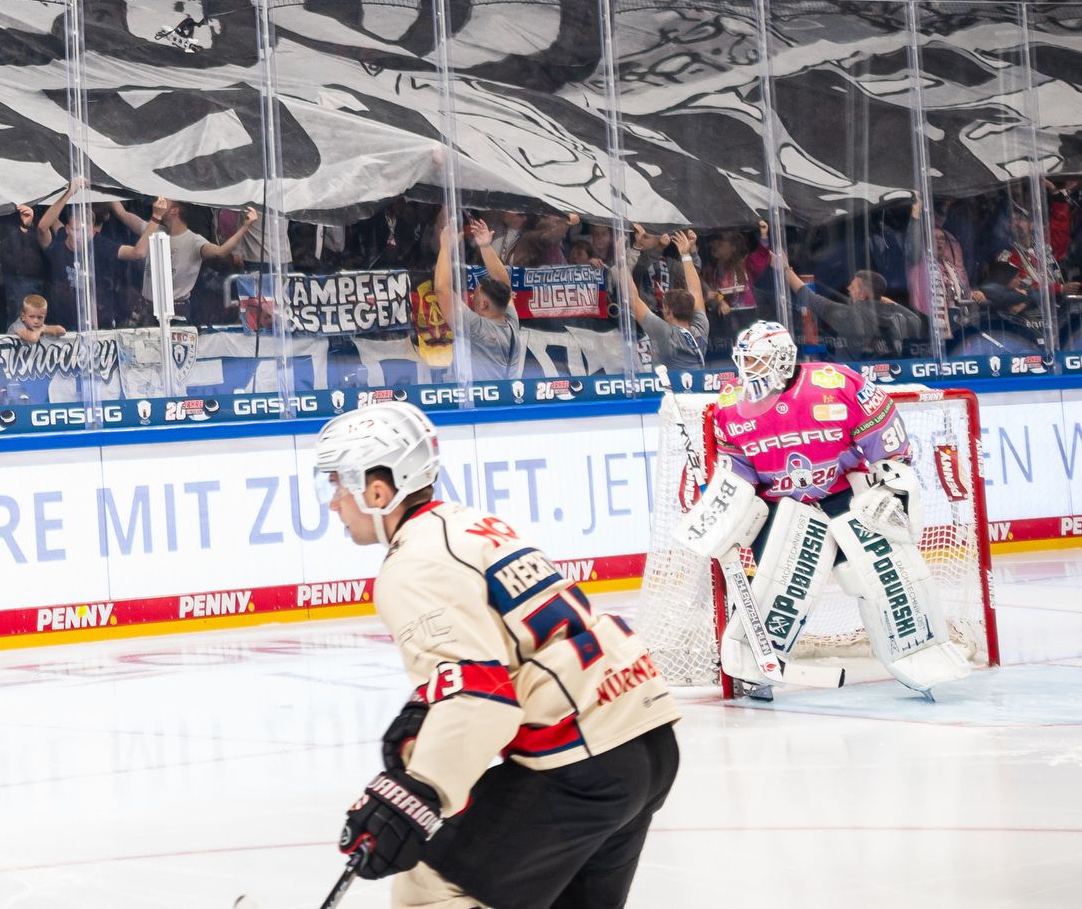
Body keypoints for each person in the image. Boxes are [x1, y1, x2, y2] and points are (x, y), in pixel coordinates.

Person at [314, 403, 677, 909]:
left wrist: (419, 793)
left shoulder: (412, 564)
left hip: (580, 763)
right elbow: (501, 653)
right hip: (645, 742)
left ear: (377, 491)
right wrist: (427, 712)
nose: (334, 503)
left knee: (432, 890)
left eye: (338, 485)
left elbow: (482, 698)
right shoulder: (470, 524)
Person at [675, 320, 966, 696]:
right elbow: (739, 476)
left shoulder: (835, 383)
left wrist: (892, 484)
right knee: (776, 588)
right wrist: (723, 510)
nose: (749, 371)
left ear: (782, 360)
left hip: (844, 495)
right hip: (782, 509)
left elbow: (887, 439)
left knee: (878, 579)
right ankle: (753, 666)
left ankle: (919, 652)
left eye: (758, 362)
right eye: (745, 361)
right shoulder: (730, 409)